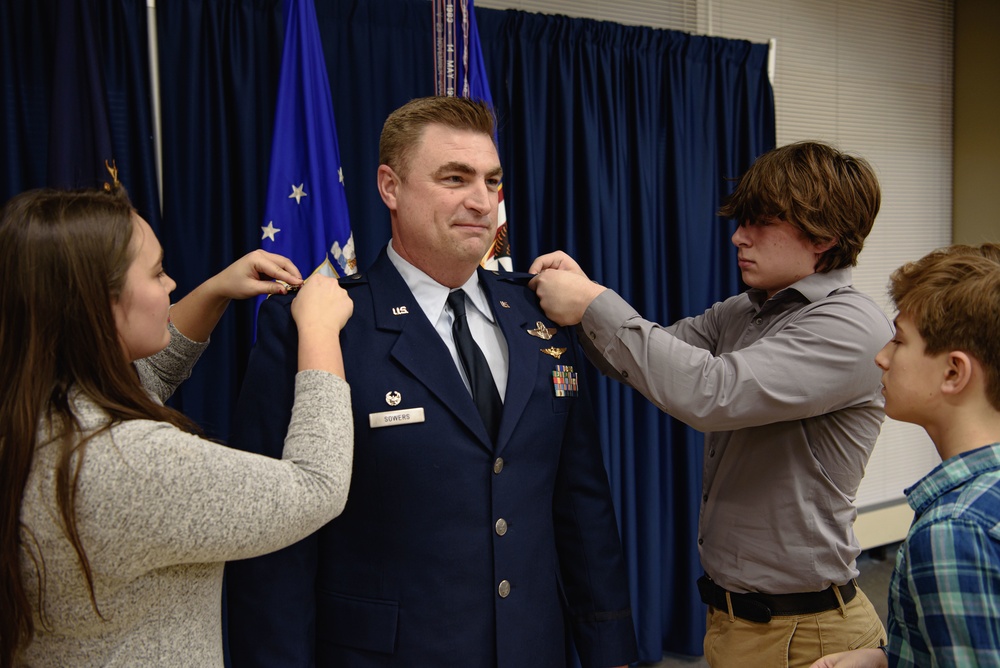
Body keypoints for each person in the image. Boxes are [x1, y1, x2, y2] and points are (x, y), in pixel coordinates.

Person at [225, 96, 637, 668]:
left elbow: (581, 502)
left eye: (492, 181)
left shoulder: (541, 314)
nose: (482, 201)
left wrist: (609, 649)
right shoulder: (321, 323)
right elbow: (274, 539)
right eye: (454, 178)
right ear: (390, 187)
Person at [529, 141, 893, 667]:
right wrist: (583, 301)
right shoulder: (745, 312)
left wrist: (592, 301)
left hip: (804, 632)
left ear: (825, 237)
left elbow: (710, 393)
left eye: (761, 223)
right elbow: (637, 361)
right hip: (738, 621)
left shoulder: (850, 326)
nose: (738, 236)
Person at [0, 186, 355, 668]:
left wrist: (214, 291)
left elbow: (143, 379)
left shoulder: (35, 406)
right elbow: (317, 487)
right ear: (99, 305)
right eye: (157, 273)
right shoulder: (128, 463)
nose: (171, 285)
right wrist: (318, 331)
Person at [810, 243, 1000, 668]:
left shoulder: (955, 531)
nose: (881, 356)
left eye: (898, 340)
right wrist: (887, 659)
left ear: (954, 372)